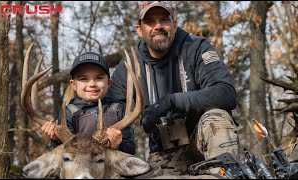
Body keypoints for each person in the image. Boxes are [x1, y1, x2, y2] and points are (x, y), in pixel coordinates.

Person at [106, 1, 239, 175]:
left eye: (164, 20)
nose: (158, 26)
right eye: (150, 22)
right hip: (165, 149)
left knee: (217, 119)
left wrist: (172, 101)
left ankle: (224, 175)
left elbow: (226, 93)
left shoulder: (196, 47)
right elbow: (113, 116)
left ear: (174, 25)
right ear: (139, 29)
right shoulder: (129, 66)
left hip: (204, 138)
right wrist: (123, 144)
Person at [41, 52, 135, 155]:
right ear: (73, 84)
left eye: (99, 78)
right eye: (83, 79)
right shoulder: (68, 113)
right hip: (79, 167)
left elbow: (130, 149)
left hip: (110, 167)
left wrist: (117, 145)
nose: (92, 84)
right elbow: (64, 153)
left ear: (109, 83)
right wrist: (56, 138)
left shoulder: (119, 110)